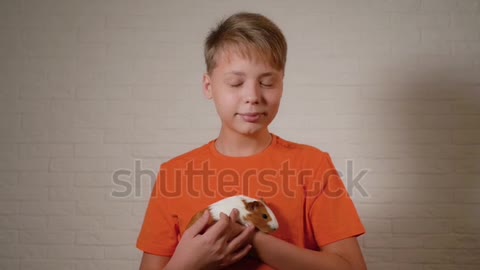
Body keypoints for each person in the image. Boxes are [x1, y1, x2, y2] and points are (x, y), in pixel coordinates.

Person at [137, 12, 367, 270]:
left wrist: (252, 241)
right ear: (208, 86)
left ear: (282, 84)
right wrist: (188, 263)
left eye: (267, 82)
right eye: (236, 83)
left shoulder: (313, 165)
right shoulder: (174, 175)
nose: (252, 96)